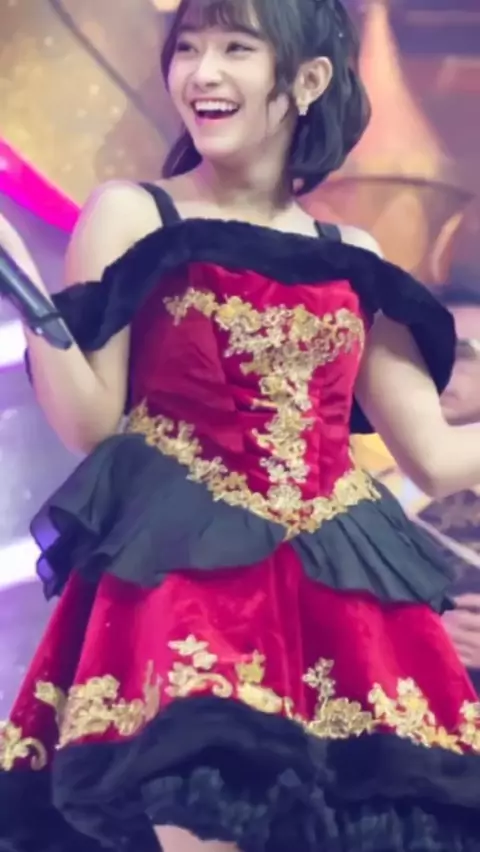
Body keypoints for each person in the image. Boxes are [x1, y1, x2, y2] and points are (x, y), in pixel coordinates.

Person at [0, 1, 480, 850]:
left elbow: (437, 458)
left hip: (340, 595)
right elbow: (93, 425)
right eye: (187, 48)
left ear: (308, 79)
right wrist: (29, 292)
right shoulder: (136, 214)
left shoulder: (352, 251)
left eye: (234, 48)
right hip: (191, 586)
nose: (202, 73)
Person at [372, 280, 480, 690]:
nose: (445, 363)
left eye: (466, 351)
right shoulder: (352, 468)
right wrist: (419, 624)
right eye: (428, 348)